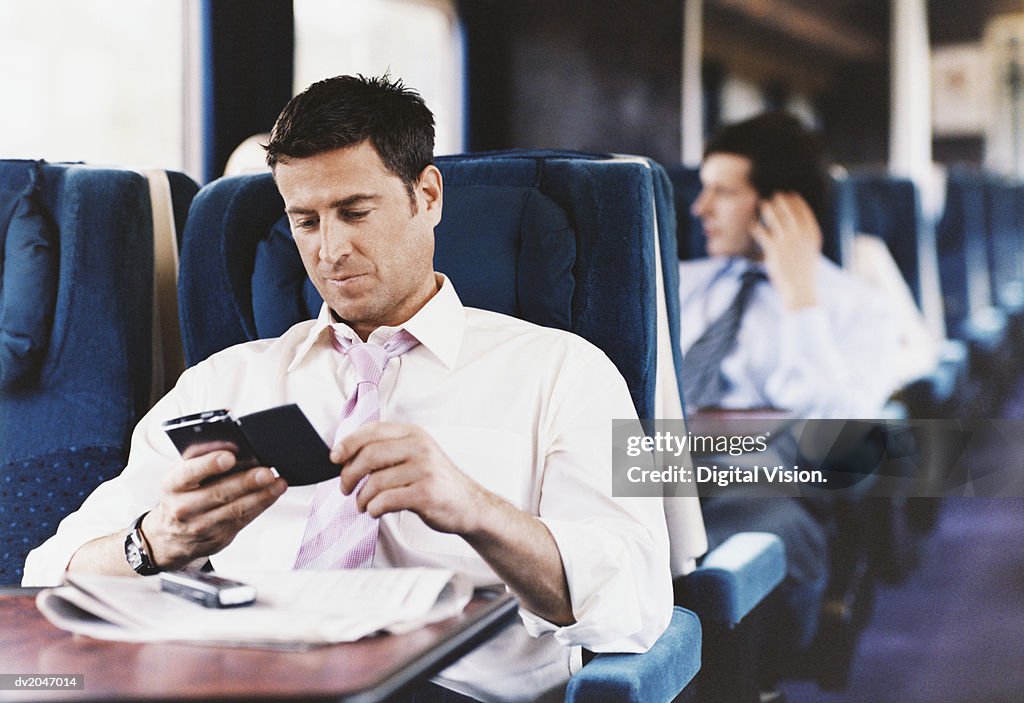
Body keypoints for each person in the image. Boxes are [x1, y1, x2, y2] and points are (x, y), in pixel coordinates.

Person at [23, 75, 672, 703]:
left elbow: (640, 596)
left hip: (453, 688)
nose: (330, 249)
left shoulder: (572, 370)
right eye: (305, 221)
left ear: (429, 196)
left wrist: (477, 510)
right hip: (245, 678)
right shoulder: (225, 380)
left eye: (355, 211)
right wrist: (157, 540)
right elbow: (51, 572)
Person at [678, 112, 902, 667]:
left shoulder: (857, 307)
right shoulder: (679, 282)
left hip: (768, 495)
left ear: (783, 207)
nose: (699, 209)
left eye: (722, 193)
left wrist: (800, 296)